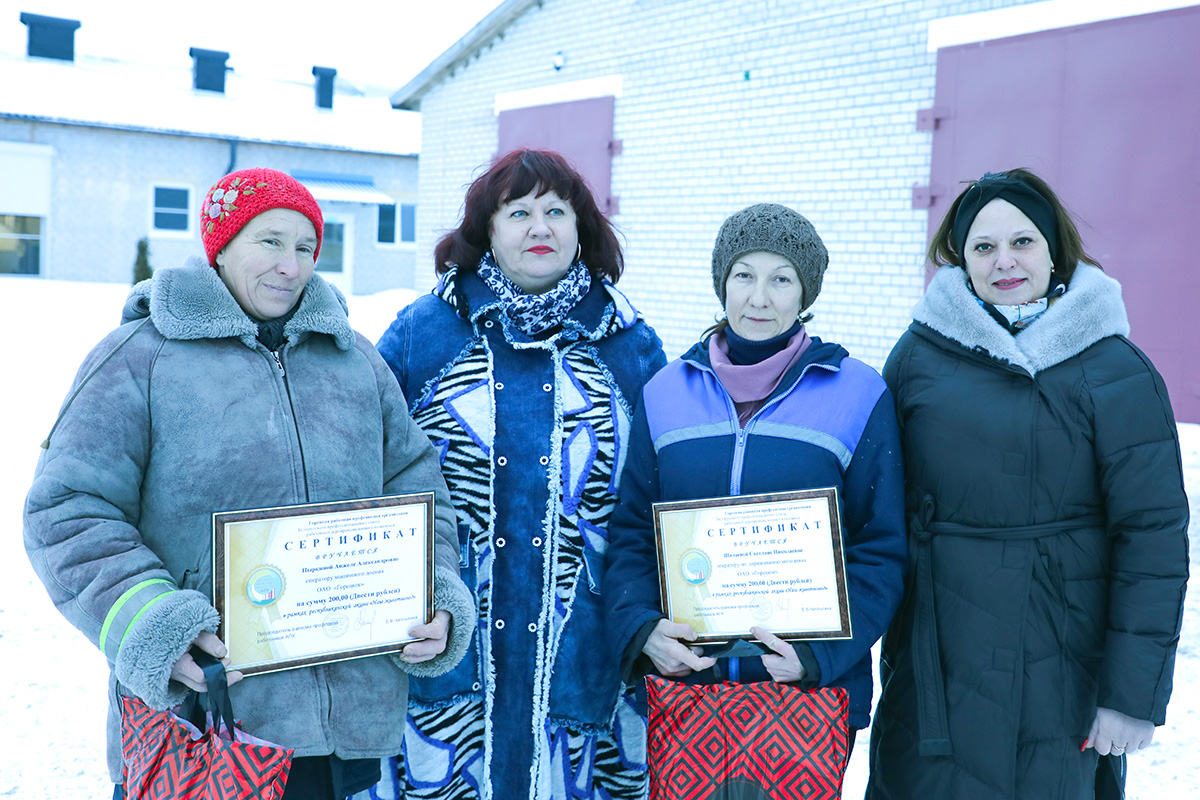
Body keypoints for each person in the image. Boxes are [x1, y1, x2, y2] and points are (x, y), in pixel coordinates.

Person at [22, 168, 475, 800]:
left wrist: (434, 591)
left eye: (306, 248)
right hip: (208, 723)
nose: (291, 266)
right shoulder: (140, 357)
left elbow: (415, 483)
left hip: (343, 728)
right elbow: (67, 511)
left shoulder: (355, 360)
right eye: (270, 241)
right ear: (221, 244)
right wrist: (156, 625)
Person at [866, 169, 1190, 799]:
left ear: (1054, 249)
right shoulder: (918, 356)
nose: (1004, 261)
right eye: (983, 247)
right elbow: (876, 509)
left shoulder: (1114, 367)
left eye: (1023, 242)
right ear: (960, 260)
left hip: (1063, 670)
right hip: (937, 667)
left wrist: (1131, 696)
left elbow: (1152, 541)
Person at [364, 149, 667, 800]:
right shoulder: (428, 332)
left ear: (581, 229)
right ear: (487, 230)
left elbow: (661, 493)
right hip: (444, 651)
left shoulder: (627, 343)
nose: (540, 227)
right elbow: (362, 464)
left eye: (557, 211)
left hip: (581, 654)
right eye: (519, 211)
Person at [603, 203, 908, 757]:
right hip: (685, 691)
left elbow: (881, 547)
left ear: (805, 294)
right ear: (723, 282)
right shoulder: (667, 391)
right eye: (744, 275)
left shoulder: (858, 394)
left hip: (806, 696)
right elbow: (631, 531)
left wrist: (821, 655)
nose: (759, 298)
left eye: (781, 279)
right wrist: (643, 628)